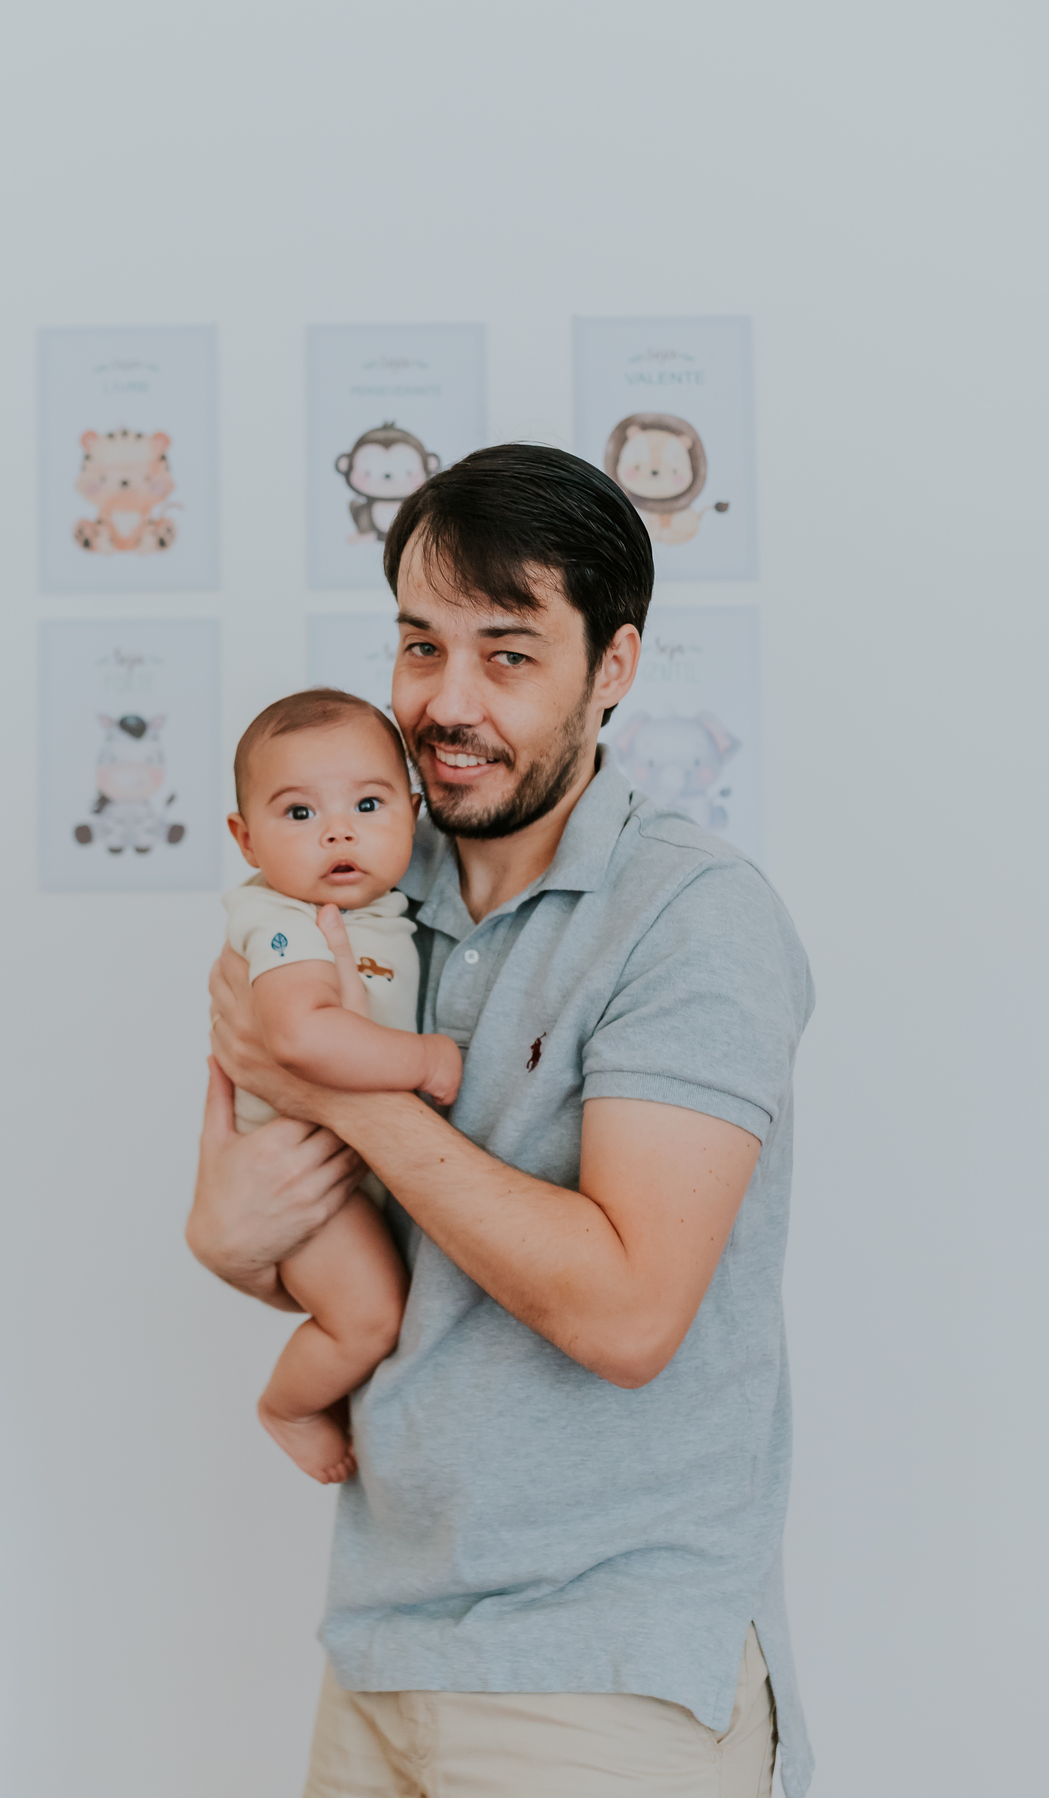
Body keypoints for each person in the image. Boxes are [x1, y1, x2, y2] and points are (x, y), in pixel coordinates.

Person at [191, 444, 815, 1798]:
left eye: (509, 654)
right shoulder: (358, 872)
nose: (447, 702)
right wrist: (239, 1223)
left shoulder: (693, 918)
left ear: (615, 669)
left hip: (603, 1680)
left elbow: (628, 1313)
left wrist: (344, 1092)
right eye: (421, 645)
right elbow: (235, 1221)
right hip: (379, 1649)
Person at [221, 689, 460, 1484]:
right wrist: (424, 1062)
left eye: (367, 803)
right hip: (309, 1185)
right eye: (298, 814)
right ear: (246, 839)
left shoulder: (387, 913)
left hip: (351, 1173)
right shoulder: (285, 923)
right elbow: (299, 1036)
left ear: (415, 813)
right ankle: (288, 1406)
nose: (338, 830)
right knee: (368, 1320)